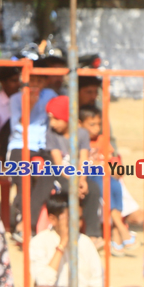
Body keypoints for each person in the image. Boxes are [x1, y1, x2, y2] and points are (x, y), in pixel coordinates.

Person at [30, 185, 144, 287]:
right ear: (53, 219)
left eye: (78, 218)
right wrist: (62, 246)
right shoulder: (39, 242)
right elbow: (43, 282)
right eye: (70, 219)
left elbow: (98, 279)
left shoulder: (85, 241)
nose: (76, 224)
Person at [7, 56, 64, 235]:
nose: (35, 85)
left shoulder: (50, 96)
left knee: (49, 175)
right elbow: (18, 127)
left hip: (43, 146)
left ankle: (28, 222)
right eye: (32, 80)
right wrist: (29, 104)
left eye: (40, 81)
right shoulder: (15, 99)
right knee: (23, 179)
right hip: (20, 145)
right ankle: (20, 220)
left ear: (45, 81)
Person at [79, 105, 140, 254]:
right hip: (91, 177)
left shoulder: (102, 140)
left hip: (106, 175)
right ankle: (120, 229)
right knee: (104, 186)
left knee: (116, 185)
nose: (96, 128)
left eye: (99, 124)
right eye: (92, 124)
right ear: (80, 124)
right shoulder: (79, 141)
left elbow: (111, 162)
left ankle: (116, 232)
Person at [44, 95, 102, 244]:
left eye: (56, 119)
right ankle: (65, 230)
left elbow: (84, 159)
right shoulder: (51, 134)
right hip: (62, 175)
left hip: (77, 175)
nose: (52, 123)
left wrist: (82, 180)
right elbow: (58, 164)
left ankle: (93, 234)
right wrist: (74, 183)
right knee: (67, 189)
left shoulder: (82, 134)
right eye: (50, 119)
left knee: (93, 189)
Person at [0, 65, 22, 149]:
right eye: (14, 81)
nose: (18, 84)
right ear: (3, 83)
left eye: (18, 80)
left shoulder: (23, 98)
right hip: (3, 145)